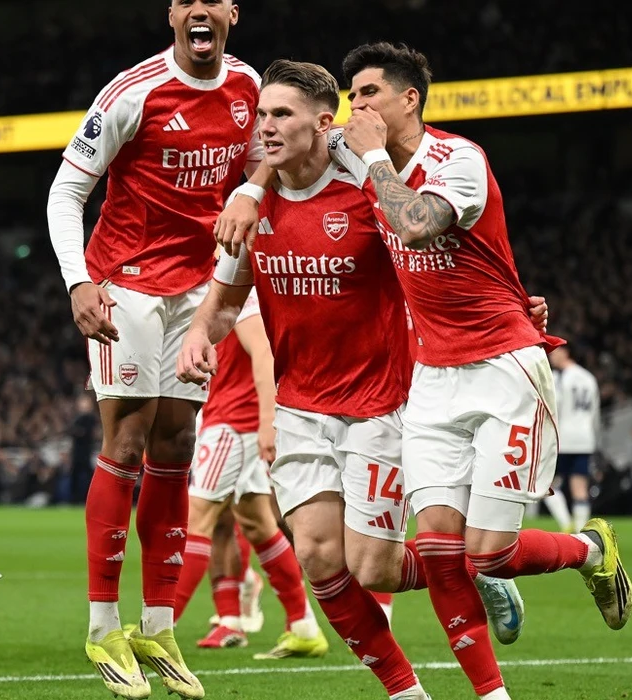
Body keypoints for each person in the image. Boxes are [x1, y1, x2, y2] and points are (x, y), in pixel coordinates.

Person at [182, 60, 536, 700]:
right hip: (300, 405)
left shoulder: (368, 187)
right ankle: (406, 692)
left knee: (374, 566)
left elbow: (437, 261)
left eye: (281, 114)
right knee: (319, 558)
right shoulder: (250, 206)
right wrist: (198, 332)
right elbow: (227, 297)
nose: (265, 126)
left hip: (380, 403)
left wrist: (515, 305)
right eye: (261, 114)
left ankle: (472, 567)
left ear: (325, 124)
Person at [325, 42, 632, 700]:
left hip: (502, 369)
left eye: (370, 93)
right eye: (352, 96)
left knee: (489, 552)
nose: (358, 107)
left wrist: (372, 158)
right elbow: (286, 143)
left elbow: (414, 224)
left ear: (409, 98)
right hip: (431, 378)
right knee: (441, 550)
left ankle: (589, 549)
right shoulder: (357, 154)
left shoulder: (457, 159)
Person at [45, 1, 263, 696]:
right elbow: (65, 193)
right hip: (128, 283)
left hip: (199, 292)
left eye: (212, 0)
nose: (199, 10)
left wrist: (250, 190)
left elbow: (263, 167)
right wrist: (79, 281)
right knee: (129, 438)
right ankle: (102, 625)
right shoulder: (132, 92)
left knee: (177, 444)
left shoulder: (249, 86)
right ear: (172, 14)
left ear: (231, 13)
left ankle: (158, 623)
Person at [173, 288, 328, 658]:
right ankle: (304, 626)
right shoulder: (222, 287)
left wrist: (266, 420)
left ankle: (157, 627)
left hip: (233, 422)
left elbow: (262, 351)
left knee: (197, 519)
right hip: (232, 419)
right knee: (259, 525)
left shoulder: (240, 291)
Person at [545, 346, 600, 532]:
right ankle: (581, 533)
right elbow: (595, 412)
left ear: (565, 352)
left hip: (563, 439)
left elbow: (554, 406)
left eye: (554, 352)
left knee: (546, 484)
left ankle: (566, 524)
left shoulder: (559, 377)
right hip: (585, 439)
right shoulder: (589, 378)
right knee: (580, 488)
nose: (551, 356)